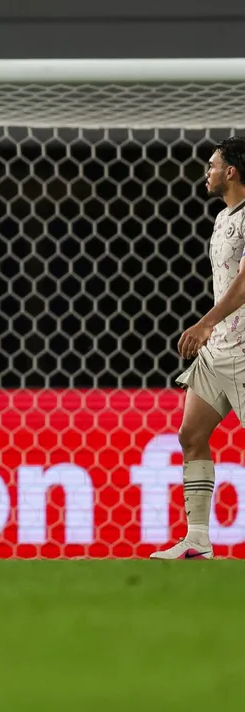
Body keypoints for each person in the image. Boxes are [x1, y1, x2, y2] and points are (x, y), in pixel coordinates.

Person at [154, 136, 245, 559]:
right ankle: (197, 539)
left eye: (211, 165)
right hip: (219, 351)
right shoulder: (223, 217)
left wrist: (205, 322)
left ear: (230, 171)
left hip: (244, 350)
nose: (205, 172)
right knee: (191, 435)